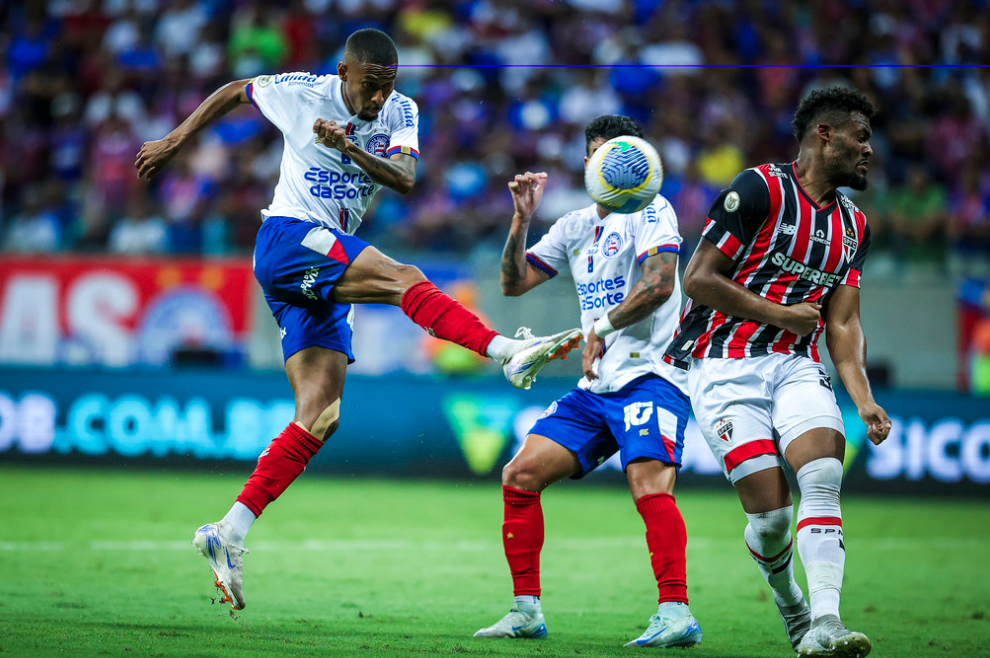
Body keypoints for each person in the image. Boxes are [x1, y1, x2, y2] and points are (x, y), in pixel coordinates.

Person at [134, 28, 581, 611]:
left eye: (386, 87)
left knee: (320, 416)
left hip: (322, 256)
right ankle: (505, 352)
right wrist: (174, 139)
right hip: (288, 237)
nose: (377, 99)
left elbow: (404, 179)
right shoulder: (302, 92)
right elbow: (236, 90)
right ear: (344, 71)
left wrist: (348, 146)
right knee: (404, 279)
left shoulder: (400, 109)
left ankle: (228, 532)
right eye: (370, 86)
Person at [664, 86, 892, 658]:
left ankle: (827, 622)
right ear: (825, 135)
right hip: (721, 366)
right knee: (770, 519)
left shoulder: (855, 226)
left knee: (821, 475)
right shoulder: (759, 188)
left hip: (797, 365)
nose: (869, 150)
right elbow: (698, 279)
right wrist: (782, 313)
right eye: (860, 138)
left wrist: (862, 396)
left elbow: (842, 324)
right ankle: (792, 606)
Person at [473, 115, 702, 648]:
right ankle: (525, 610)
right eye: (603, 155)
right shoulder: (575, 226)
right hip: (597, 386)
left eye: (626, 156)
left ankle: (676, 613)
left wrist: (597, 327)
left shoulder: (654, 210)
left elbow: (660, 285)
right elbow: (512, 284)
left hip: (653, 375)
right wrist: (520, 221)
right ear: (587, 163)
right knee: (520, 474)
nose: (614, 166)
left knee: (648, 484)